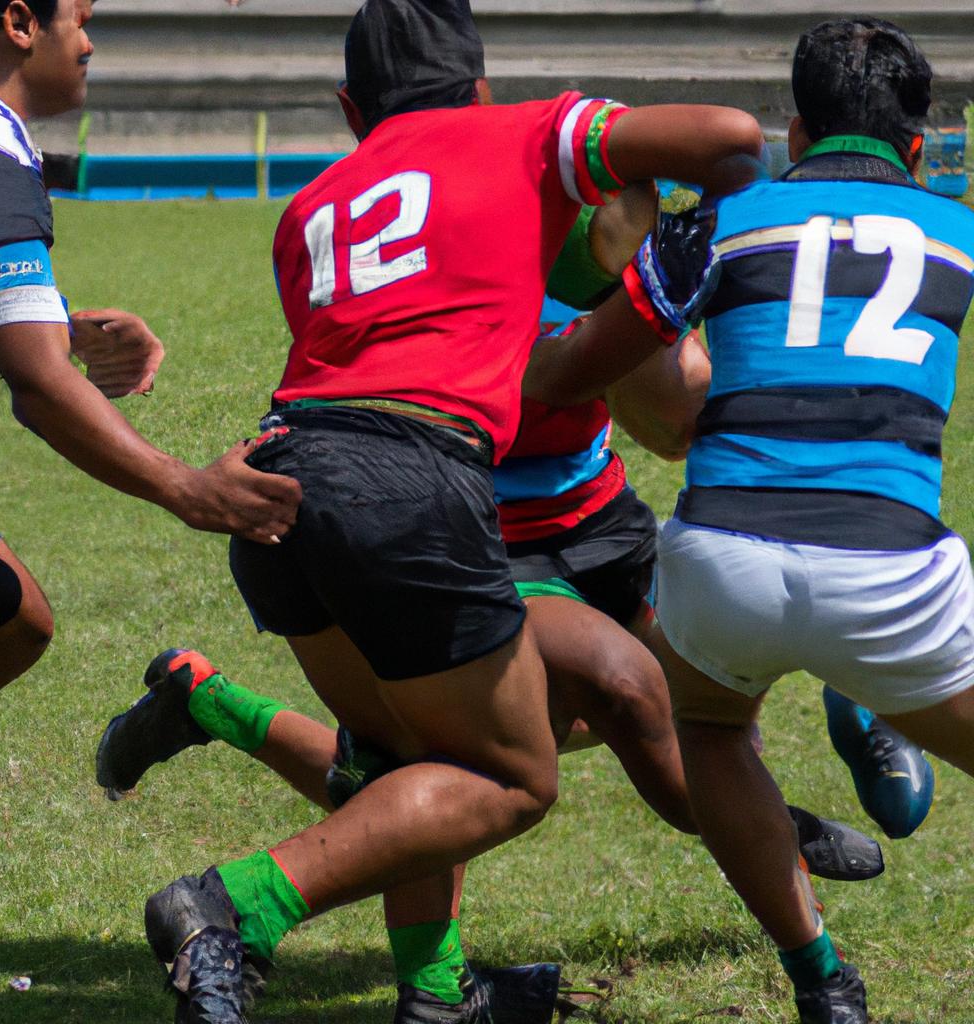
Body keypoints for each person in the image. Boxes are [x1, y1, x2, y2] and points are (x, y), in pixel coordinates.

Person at [103, 0, 770, 1020]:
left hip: (280, 478)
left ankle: (435, 993)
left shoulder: (309, 208)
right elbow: (729, 138)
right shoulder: (522, 132)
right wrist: (654, 242)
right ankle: (233, 905)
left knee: (406, 765)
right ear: (482, 85)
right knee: (512, 776)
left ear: (345, 107)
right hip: (409, 482)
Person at [601, 18, 974, 1023]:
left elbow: (652, 391)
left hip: (724, 560)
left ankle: (821, 979)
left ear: (793, 129)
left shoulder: (726, 216)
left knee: (712, 732)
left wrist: (619, 253)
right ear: (917, 146)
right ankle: (873, 701)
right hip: (891, 575)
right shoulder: (958, 228)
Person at [0, 0, 301, 735]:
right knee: (5, 611)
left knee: (8, 614)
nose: (89, 42)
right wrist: (191, 489)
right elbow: (41, 390)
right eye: (79, 19)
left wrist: (61, 325)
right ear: (20, 25)